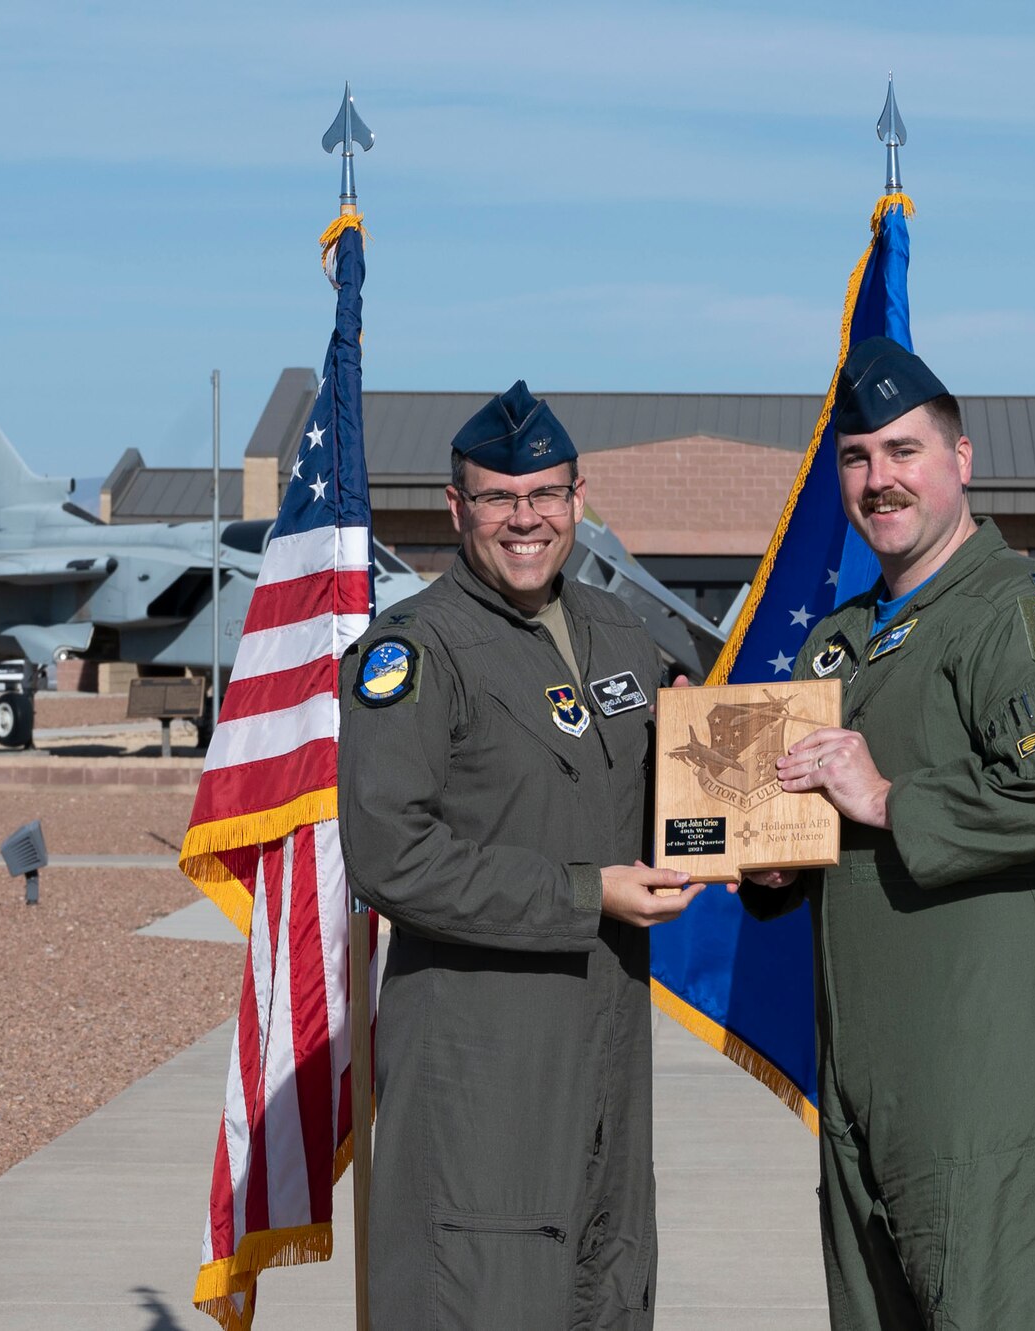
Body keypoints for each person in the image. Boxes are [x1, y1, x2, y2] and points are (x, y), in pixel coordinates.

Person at [738, 336, 1035, 1329]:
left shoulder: (1022, 613)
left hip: (990, 1069)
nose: (879, 479)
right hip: (868, 1071)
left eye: (903, 451)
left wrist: (888, 799)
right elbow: (810, 821)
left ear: (960, 460)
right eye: (857, 457)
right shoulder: (841, 636)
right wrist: (773, 857)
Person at [340, 381, 700, 1329]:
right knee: (482, 1294)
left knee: (607, 1286)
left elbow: (663, 799)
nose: (524, 518)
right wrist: (586, 894)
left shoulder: (623, 633)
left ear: (579, 498)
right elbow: (390, 853)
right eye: (498, 497)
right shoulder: (416, 649)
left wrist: (758, 843)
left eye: (544, 494)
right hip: (482, 1056)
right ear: (457, 509)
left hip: (610, 1042)